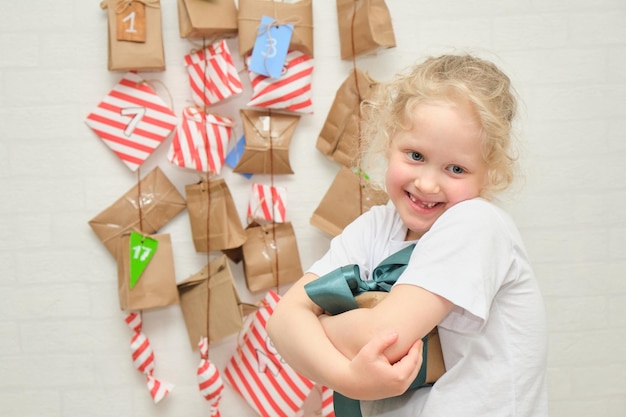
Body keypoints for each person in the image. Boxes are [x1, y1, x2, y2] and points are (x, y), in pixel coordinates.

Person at [266, 54, 548, 417]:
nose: (427, 183)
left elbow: (382, 340)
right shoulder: (375, 226)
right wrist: (350, 378)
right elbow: (281, 322)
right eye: (415, 155)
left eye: (456, 168)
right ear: (388, 144)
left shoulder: (477, 223)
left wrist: (319, 323)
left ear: (489, 174)